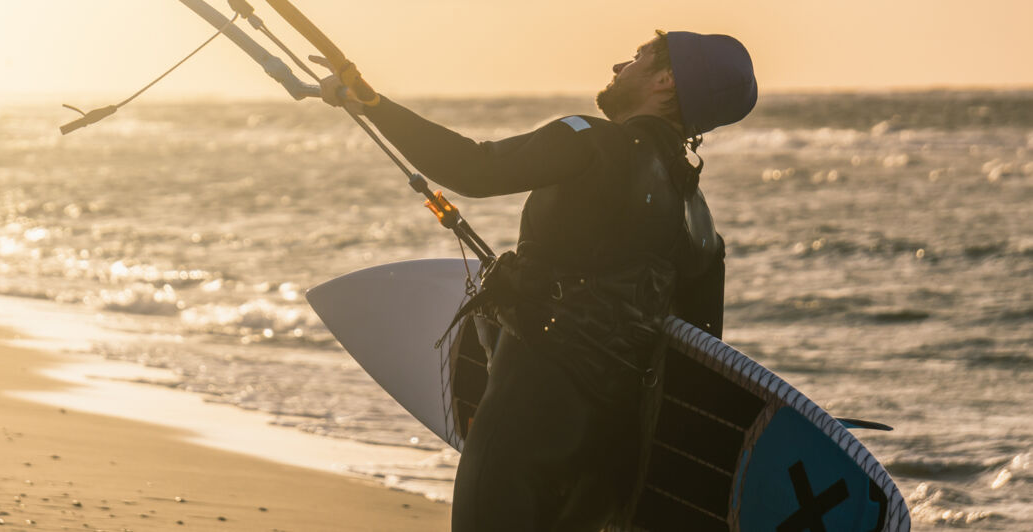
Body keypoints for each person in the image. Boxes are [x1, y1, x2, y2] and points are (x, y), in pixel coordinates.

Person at [319, 30, 756, 531]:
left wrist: (372, 103)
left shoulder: (590, 140)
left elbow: (474, 169)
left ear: (666, 80)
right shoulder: (699, 223)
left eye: (637, 57)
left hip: (530, 407)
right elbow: (700, 369)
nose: (619, 65)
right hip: (615, 453)